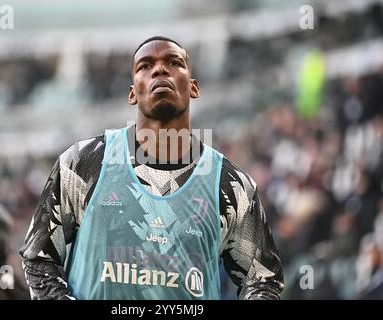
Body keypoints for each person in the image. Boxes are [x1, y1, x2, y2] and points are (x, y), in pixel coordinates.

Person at [20, 36, 284, 300]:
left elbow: (264, 280)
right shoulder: (84, 162)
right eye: (145, 65)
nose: (160, 69)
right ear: (132, 92)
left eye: (173, 62)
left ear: (193, 88)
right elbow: (38, 257)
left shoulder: (231, 185)